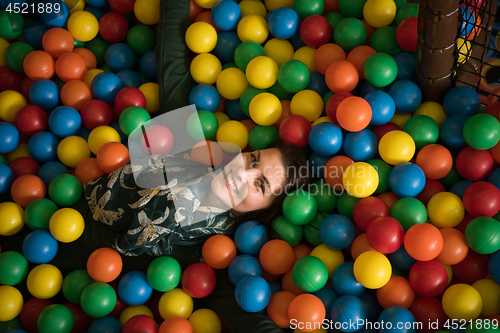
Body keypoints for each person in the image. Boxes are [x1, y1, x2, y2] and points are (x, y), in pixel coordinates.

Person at [1, 140, 310, 333]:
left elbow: (240, 308)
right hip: (48, 206)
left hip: (66, 278)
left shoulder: (216, 248)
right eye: (253, 160)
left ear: (265, 211)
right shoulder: (194, 151)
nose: (242, 173)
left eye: (261, 185)